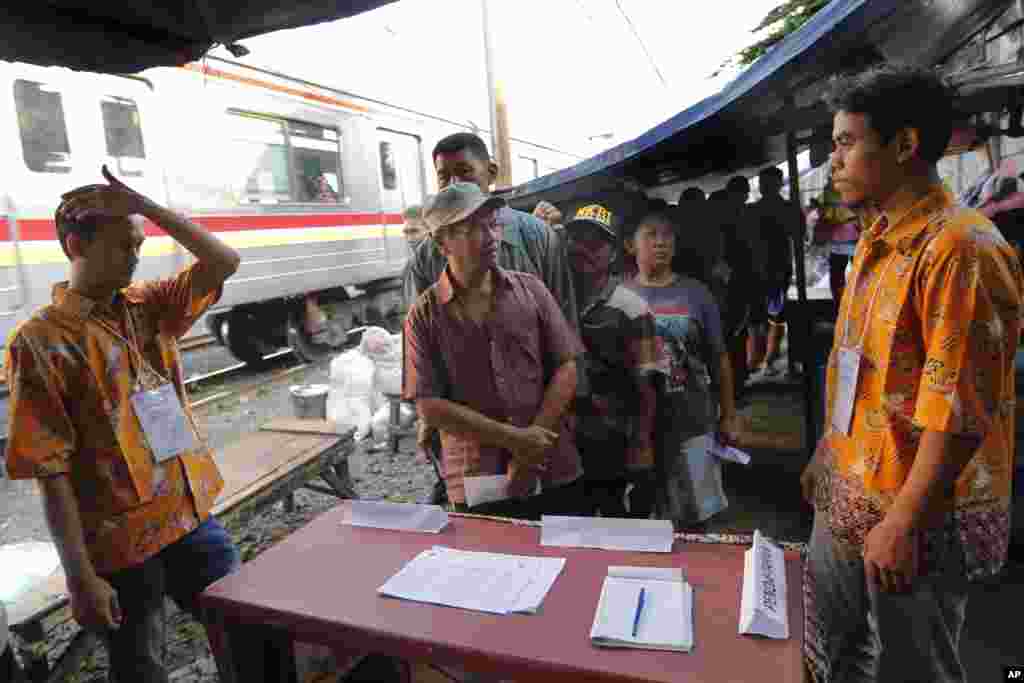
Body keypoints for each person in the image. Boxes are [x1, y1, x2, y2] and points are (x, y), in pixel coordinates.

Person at [801, 64, 1023, 683]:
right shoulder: (877, 239)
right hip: (849, 493)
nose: (833, 161)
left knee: (912, 669)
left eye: (846, 142)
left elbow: (957, 408)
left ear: (903, 144)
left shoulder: (960, 248)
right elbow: (860, 370)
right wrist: (828, 452)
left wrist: (904, 521)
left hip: (915, 516)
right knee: (834, 657)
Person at [4, 166, 242, 683]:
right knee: (140, 667)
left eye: (139, 242)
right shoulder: (40, 343)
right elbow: (50, 471)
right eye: (122, 244)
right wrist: (80, 578)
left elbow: (225, 261)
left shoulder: (149, 306)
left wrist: (150, 208)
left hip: (188, 515)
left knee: (244, 629)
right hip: (119, 543)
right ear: (74, 246)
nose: (136, 254)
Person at [403, 182, 586, 520]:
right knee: (490, 564)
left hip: (551, 462)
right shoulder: (424, 315)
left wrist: (531, 447)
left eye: (491, 224)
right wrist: (517, 441)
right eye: (470, 228)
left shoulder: (532, 290)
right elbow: (429, 405)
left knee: (567, 558)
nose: (489, 237)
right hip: (477, 477)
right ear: (442, 243)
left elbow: (567, 366)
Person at [624, 211, 741, 530]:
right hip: (638, 427)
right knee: (645, 517)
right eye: (651, 234)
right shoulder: (618, 295)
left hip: (692, 417)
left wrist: (728, 414)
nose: (660, 242)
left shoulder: (697, 294)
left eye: (667, 236)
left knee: (696, 515)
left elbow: (718, 357)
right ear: (630, 245)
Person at [408, 132, 577, 331]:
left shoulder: (538, 237)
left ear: (491, 172)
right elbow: (422, 331)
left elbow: (565, 324)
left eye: (465, 171)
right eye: (444, 177)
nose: (455, 184)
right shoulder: (427, 255)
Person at [565, 204, 661, 518]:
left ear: (613, 253)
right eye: (577, 239)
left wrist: (642, 445)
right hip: (567, 438)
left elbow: (648, 383)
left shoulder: (631, 308)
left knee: (618, 524)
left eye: (596, 243)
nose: (584, 249)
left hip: (615, 438)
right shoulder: (555, 300)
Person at [746, 167, 803, 377]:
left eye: (766, 183)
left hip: (768, 271)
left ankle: (763, 359)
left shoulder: (756, 210)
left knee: (766, 316)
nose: (763, 187)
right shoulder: (786, 208)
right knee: (769, 316)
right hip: (770, 270)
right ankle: (765, 358)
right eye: (762, 183)